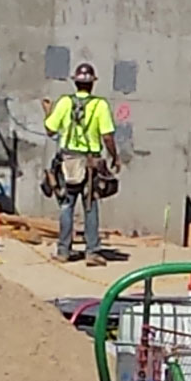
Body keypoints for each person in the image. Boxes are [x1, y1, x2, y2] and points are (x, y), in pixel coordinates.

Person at [42, 62, 119, 266]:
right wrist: (115, 157)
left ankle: (63, 251)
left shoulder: (65, 103)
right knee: (90, 205)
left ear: (76, 83)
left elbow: (50, 129)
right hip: (90, 164)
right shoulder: (100, 105)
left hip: (67, 161)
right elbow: (107, 136)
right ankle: (92, 252)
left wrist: (49, 113)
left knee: (67, 205)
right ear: (92, 84)